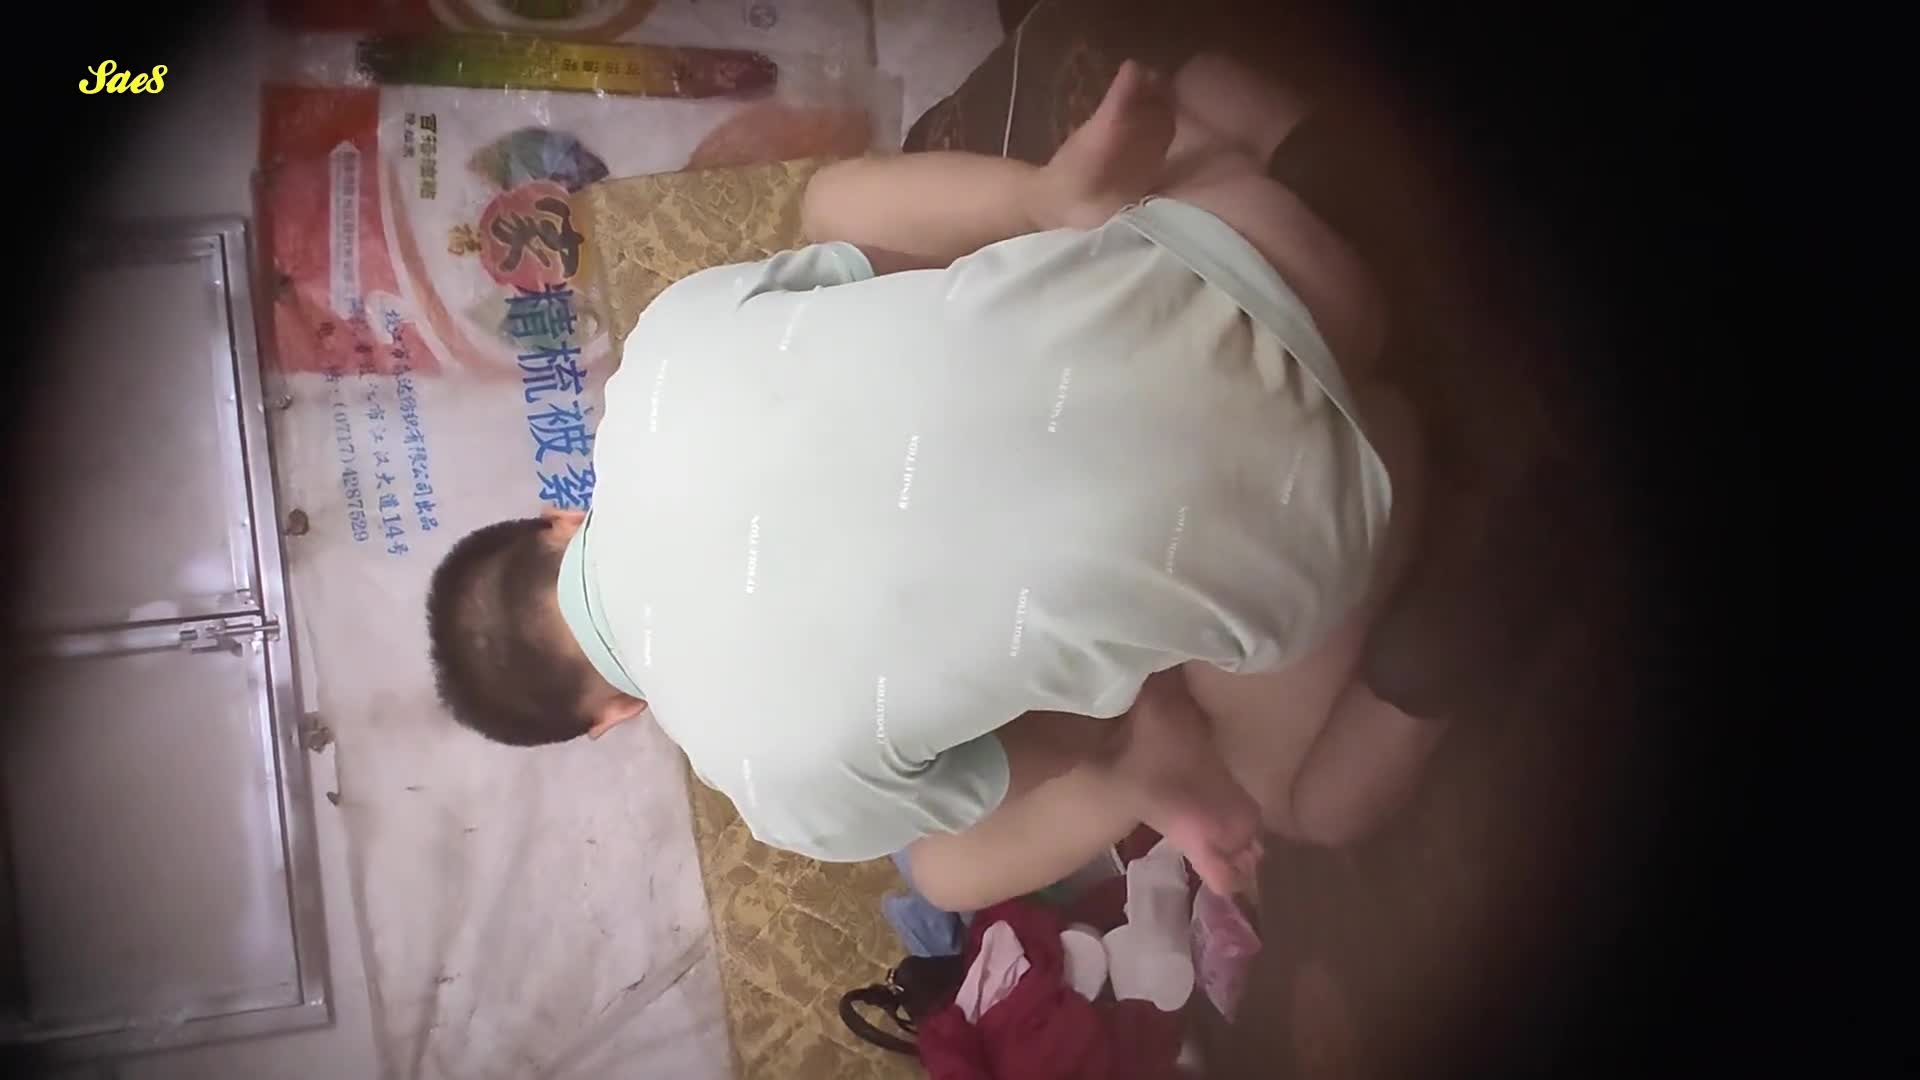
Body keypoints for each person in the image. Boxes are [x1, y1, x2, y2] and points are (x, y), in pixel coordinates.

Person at [426, 55, 1445, 910]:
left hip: (1333, 512)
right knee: (1181, 94)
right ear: (558, 523)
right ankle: (1102, 189)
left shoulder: (785, 797)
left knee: (1303, 800)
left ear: (609, 717)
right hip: (1253, 255)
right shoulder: (663, 347)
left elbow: (1061, 742)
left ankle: (1455, 639)